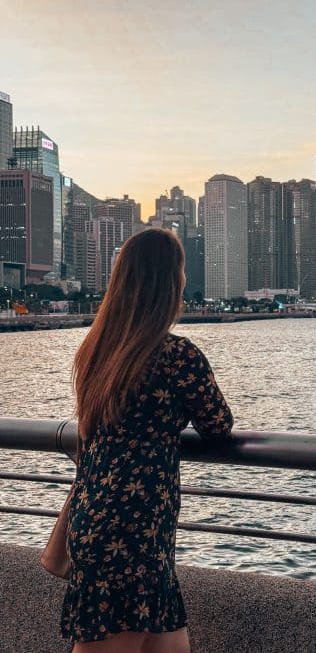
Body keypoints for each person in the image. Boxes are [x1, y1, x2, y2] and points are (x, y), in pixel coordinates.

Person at [60, 228, 234, 652]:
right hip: (133, 536)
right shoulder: (178, 356)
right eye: (180, 274)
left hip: (110, 524)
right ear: (168, 283)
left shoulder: (97, 351)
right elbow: (218, 424)